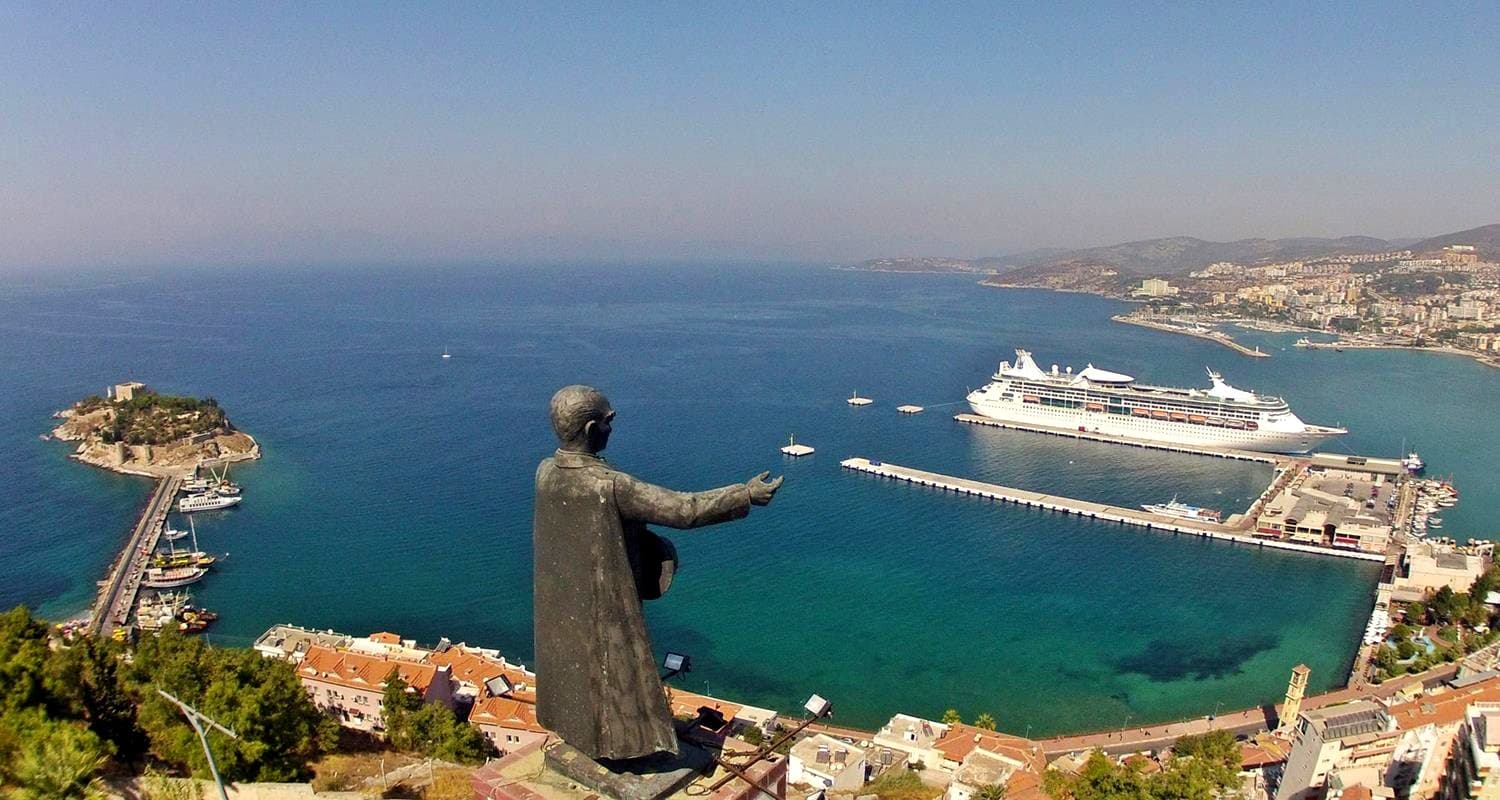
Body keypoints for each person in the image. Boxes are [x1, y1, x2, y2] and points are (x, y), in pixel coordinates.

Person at [533, 385, 781, 761]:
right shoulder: (610, 485)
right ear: (589, 430)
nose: (612, 428)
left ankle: (583, 737)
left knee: (580, 673)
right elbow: (685, 509)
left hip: (564, 602)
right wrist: (744, 495)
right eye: (608, 421)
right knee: (615, 675)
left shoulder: (546, 472)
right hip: (604, 605)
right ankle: (620, 751)